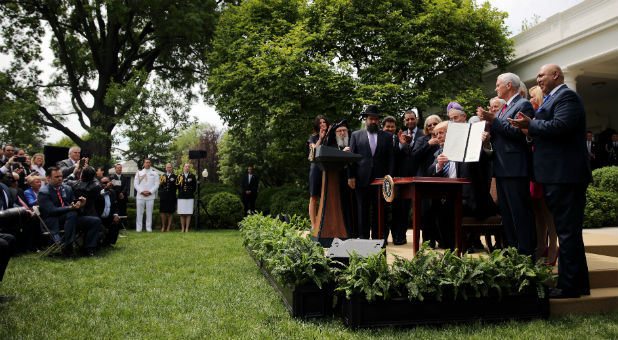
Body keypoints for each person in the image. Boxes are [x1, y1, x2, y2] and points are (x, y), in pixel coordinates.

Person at [509, 63, 591, 299]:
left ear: (556, 75)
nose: (538, 80)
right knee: (569, 232)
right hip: (556, 175)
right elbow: (549, 129)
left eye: (542, 75)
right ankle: (579, 284)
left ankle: (568, 287)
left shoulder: (567, 98)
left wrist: (530, 125)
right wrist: (529, 130)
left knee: (567, 233)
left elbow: (561, 127)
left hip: (565, 176)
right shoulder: (550, 100)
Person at [477, 72, 536, 258]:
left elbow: (518, 132)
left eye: (498, 85)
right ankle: (512, 252)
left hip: (515, 168)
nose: (496, 88)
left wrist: (493, 120)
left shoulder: (523, 104)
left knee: (520, 214)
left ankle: (526, 255)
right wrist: (487, 136)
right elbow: (501, 133)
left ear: (509, 85)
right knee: (508, 216)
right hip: (501, 168)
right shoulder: (503, 109)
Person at [348, 105, 395, 240]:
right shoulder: (356, 135)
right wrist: (350, 176)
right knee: (362, 209)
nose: (373, 121)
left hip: (381, 180)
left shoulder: (386, 136)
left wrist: (390, 178)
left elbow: (391, 158)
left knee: (380, 211)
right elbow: (351, 157)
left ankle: (378, 238)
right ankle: (363, 238)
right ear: (366, 119)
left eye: (375, 119)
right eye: (370, 119)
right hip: (361, 179)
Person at [37, 167, 100, 257]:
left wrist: (80, 204)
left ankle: (88, 248)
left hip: (71, 219)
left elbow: (73, 202)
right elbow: (51, 210)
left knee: (95, 221)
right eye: (56, 177)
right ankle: (68, 246)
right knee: (72, 213)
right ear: (48, 178)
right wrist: (70, 208)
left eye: (61, 176)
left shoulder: (67, 188)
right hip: (54, 221)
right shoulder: (44, 192)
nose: (60, 179)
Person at [529, 85, 558, 263]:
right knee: (537, 212)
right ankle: (541, 247)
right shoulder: (531, 116)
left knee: (549, 213)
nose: (530, 100)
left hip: (545, 168)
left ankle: (553, 248)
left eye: (533, 97)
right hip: (533, 167)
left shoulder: (545, 115)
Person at [307, 115, 329, 228]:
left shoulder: (331, 137)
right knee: (314, 196)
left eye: (324, 122)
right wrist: (320, 138)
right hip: (316, 169)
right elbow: (313, 152)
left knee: (326, 196)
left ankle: (324, 223)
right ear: (317, 125)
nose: (322, 124)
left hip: (328, 169)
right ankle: (314, 224)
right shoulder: (312, 137)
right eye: (320, 123)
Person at [134, 159, 159, 232]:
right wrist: (141, 191)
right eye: (146, 162)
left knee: (149, 213)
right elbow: (135, 184)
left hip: (150, 196)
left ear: (150, 164)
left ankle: (148, 228)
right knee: (139, 213)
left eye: (149, 162)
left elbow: (156, 185)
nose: (148, 164)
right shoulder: (139, 173)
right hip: (140, 196)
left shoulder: (155, 173)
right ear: (144, 164)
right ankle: (139, 229)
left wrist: (150, 192)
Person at [97, 176, 121, 245]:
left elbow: (115, 205)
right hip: (99, 217)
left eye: (108, 182)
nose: (107, 184)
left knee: (117, 222)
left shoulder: (112, 192)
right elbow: (100, 196)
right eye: (104, 183)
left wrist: (116, 215)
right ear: (101, 184)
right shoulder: (98, 192)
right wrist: (105, 189)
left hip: (108, 216)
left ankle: (108, 242)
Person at [177, 163, 196, 232]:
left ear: (189, 168)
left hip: (189, 196)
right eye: (186, 166)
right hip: (181, 196)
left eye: (188, 167)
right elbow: (178, 186)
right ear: (183, 168)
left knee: (188, 213)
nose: (187, 168)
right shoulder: (179, 176)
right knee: (182, 213)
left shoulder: (192, 176)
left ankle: (187, 228)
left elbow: (194, 187)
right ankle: (182, 228)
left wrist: (190, 192)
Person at [159, 163, 177, 232]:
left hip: (171, 196)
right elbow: (161, 186)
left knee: (171, 212)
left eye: (170, 167)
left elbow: (176, 186)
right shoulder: (162, 176)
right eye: (167, 167)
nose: (168, 168)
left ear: (171, 168)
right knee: (163, 211)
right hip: (164, 196)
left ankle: (168, 227)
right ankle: (163, 226)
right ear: (165, 168)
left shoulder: (175, 176)